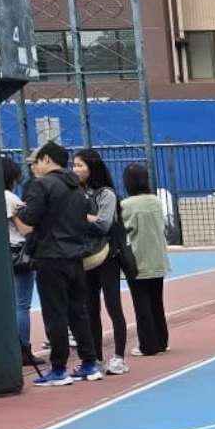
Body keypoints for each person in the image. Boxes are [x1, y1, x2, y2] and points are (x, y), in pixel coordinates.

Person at [13, 140, 102, 387]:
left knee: (55, 314)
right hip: (75, 256)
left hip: (51, 256)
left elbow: (29, 221)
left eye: (36, 162)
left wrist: (16, 213)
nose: (34, 167)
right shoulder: (77, 188)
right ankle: (89, 363)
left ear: (46, 159)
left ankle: (59, 368)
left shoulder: (42, 186)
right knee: (79, 312)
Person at [74, 148, 131, 374]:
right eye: (74, 165)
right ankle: (95, 358)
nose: (75, 169)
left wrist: (82, 217)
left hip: (107, 256)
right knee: (90, 309)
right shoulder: (76, 192)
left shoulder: (106, 194)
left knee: (113, 305)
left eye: (79, 165)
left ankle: (118, 357)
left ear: (92, 167)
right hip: (86, 256)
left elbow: (104, 224)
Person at [120, 162, 171, 356]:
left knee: (141, 304)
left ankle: (148, 345)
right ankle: (161, 341)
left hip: (138, 259)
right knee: (157, 302)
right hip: (157, 257)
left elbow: (124, 228)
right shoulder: (155, 201)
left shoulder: (126, 205)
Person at [3, 156, 39, 369]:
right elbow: (26, 229)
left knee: (10, 302)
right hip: (18, 251)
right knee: (22, 303)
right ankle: (23, 348)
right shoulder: (10, 198)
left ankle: (10, 347)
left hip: (3, 252)